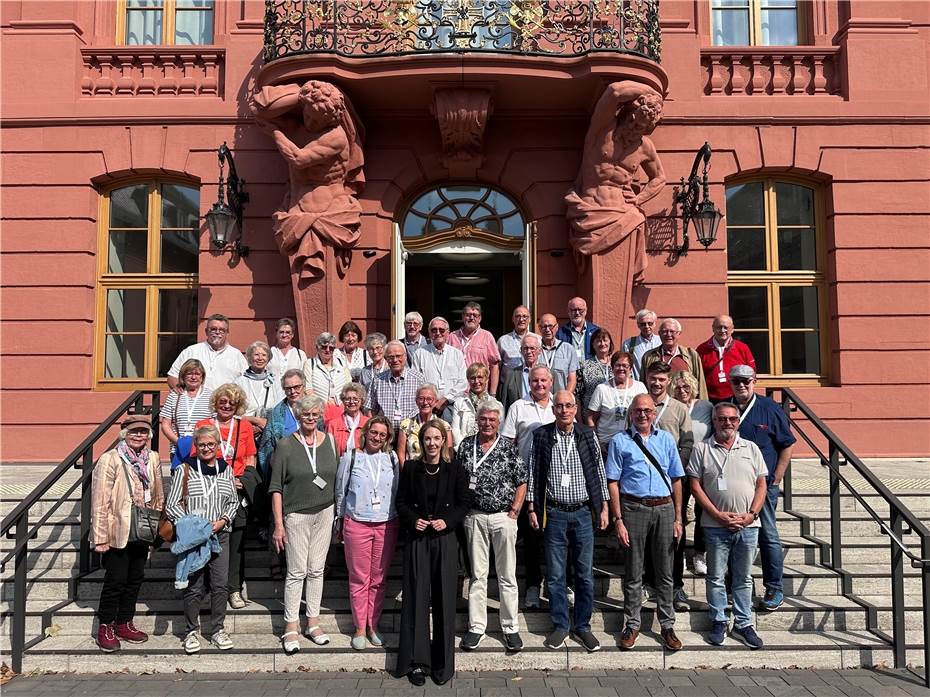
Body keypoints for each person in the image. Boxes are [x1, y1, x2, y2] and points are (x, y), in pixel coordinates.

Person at [526, 390, 609, 653]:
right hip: (555, 513)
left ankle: (583, 626)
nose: (564, 410)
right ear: (553, 410)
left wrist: (604, 506)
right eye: (559, 406)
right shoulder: (541, 435)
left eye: (569, 406)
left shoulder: (587, 434)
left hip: (583, 513)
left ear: (576, 409)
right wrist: (531, 506)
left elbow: (599, 470)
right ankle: (561, 624)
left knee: (584, 574)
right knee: (556, 575)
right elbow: (533, 471)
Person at [395, 420, 473, 686]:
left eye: (436, 438)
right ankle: (417, 662)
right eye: (427, 438)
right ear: (421, 441)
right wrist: (412, 519)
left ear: (444, 440)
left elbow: (464, 502)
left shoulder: (454, 468)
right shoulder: (412, 468)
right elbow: (401, 502)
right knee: (416, 598)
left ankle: (442, 663)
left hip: (444, 537)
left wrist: (447, 521)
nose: (431, 443)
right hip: (418, 537)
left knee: (444, 599)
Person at [606, 394, 685, 653]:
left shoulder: (666, 440)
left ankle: (667, 624)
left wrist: (678, 517)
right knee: (633, 571)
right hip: (633, 508)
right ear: (631, 413)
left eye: (648, 411)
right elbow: (613, 482)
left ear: (654, 413)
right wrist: (618, 519)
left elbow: (676, 479)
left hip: (663, 508)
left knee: (665, 571)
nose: (643, 415)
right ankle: (632, 624)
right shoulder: (621, 441)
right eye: (638, 410)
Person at [688, 403, 767, 649]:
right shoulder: (702, 449)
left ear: (738, 422)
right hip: (714, 525)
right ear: (714, 420)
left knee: (743, 577)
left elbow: (762, 484)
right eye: (722, 419)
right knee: (715, 576)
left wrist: (751, 514)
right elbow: (695, 485)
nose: (727, 423)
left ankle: (744, 624)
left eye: (732, 419)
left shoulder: (751, 448)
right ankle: (719, 620)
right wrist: (716, 515)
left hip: (748, 525)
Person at [268, 395, 339, 654]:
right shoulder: (286, 445)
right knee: (297, 571)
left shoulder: (330, 441)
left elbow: (335, 480)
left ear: (320, 416)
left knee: (317, 570)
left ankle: (313, 623)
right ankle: (290, 626)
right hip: (296, 515)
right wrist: (278, 524)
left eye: (315, 414)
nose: (311, 418)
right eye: (306, 414)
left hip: (325, 512)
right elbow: (275, 488)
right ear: (298, 416)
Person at [456, 401, 527, 653]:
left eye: (492, 420)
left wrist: (515, 512)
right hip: (474, 517)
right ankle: (476, 627)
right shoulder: (466, 445)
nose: (487, 423)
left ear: (499, 422)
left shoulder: (508, 448)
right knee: (478, 576)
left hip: (502, 517)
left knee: (507, 575)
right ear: (477, 420)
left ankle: (510, 627)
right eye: (483, 419)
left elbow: (522, 481)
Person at [91, 414, 164, 652]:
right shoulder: (110, 459)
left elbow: (158, 494)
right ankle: (106, 626)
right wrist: (100, 537)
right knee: (116, 580)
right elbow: (100, 501)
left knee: (135, 578)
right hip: (117, 529)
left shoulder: (152, 458)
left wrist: (157, 527)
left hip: (142, 528)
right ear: (124, 433)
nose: (139, 435)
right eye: (134, 431)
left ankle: (124, 622)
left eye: (143, 432)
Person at [165, 423, 239, 654]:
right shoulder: (185, 470)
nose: (206, 448)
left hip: (220, 535)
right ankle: (191, 631)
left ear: (218, 446)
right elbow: (172, 505)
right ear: (195, 446)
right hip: (196, 539)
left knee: (219, 585)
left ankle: (217, 629)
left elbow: (234, 501)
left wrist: (224, 520)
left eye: (211, 444)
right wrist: (195, 526)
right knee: (195, 586)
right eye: (202, 444)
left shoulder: (225, 469)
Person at [728, 364, 796, 612]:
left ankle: (774, 587)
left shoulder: (768, 408)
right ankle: (734, 585)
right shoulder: (725, 407)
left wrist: (776, 479)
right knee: (733, 536)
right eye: (736, 381)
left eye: (746, 381)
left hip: (762, 487)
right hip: (733, 488)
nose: (741, 385)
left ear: (755, 381)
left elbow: (786, 444)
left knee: (768, 535)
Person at [334, 416, 400, 650]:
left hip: (386, 523)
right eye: (374, 433)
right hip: (357, 523)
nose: (377, 438)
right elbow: (340, 492)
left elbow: (397, 490)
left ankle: (374, 625)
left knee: (378, 579)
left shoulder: (391, 458)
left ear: (387, 438)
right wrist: (340, 522)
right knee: (360, 578)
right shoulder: (351, 457)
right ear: (366, 432)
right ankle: (359, 627)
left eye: (383, 435)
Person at [194, 385, 257, 611]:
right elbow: (196, 456)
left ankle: (234, 588)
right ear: (216, 402)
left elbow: (250, 457)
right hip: (209, 491)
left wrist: (245, 480)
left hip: (236, 491)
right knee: (209, 541)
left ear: (237, 405)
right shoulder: (204, 425)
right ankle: (208, 588)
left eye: (231, 402)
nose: (227, 405)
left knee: (236, 544)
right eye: (223, 401)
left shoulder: (244, 426)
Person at [500, 365, 555, 608]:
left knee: (556, 538)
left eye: (543, 381)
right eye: (535, 381)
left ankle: (559, 585)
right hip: (528, 481)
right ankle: (533, 585)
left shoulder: (560, 405)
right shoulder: (518, 407)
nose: (539, 385)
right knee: (531, 539)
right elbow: (508, 445)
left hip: (556, 482)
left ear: (551, 382)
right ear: (529, 382)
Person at [642, 362, 694, 610]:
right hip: (643, 480)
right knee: (647, 533)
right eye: (653, 378)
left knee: (676, 532)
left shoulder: (680, 408)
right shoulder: (640, 404)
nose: (657, 383)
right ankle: (649, 581)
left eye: (662, 379)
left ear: (669, 381)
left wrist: (675, 468)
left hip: (673, 480)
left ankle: (676, 586)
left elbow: (687, 444)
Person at [672, 370, 713, 575]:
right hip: (678, 467)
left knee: (702, 512)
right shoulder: (671, 407)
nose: (682, 391)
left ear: (693, 388)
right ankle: (676, 556)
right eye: (678, 387)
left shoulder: (706, 407)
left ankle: (699, 554)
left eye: (686, 387)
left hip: (702, 466)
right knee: (677, 512)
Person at [167, 314, 248, 392]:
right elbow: (172, 377)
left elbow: (247, 382)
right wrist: (183, 394)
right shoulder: (191, 351)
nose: (217, 332)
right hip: (197, 404)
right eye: (213, 329)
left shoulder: (236, 355)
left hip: (225, 404)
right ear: (206, 331)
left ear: (227, 333)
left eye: (222, 330)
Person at [586, 351, 647, 448]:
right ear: (612, 367)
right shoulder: (602, 389)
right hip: (606, 443)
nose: (621, 368)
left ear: (630, 369)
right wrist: (596, 442)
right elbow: (591, 418)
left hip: (633, 443)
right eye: (617, 365)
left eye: (625, 366)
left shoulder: (639, 387)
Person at [364, 340, 426, 433]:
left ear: (405, 357)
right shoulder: (378, 380)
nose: (395, 360)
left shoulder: (418, 379)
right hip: (386, 434)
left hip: (411, 433)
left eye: (398, 356)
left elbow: (425, 407)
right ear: (386, 358)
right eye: (391, 357)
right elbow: (370, 410)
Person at [413, 317, 467, 418]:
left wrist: (446, 399)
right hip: (427, 407)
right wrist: (430, 400)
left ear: (448, 333)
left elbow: (463, 382)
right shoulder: (420, 354)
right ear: (429, 333)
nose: (438, 333)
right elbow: (416, 382)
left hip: (452, 406)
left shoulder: (457, 354)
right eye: (434, 330)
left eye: (441, 330)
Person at [640, 318, 707, 400]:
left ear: (679, 334)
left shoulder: (691, 355)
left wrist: (703, 406)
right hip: (658, 405)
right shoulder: (649, 356)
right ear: (659, 334)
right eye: (664, 331)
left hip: (685, 406)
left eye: (672, 331)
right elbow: (643, 384)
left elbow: (700, 383)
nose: (668, 334)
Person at [257, 369, 307, 477]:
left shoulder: (316, 409)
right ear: (284, 390)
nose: (293, 392)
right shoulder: (276, 415)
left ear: (304, 386)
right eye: (288, 388)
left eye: (297, 387)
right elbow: (267, 449)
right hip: (286, 470)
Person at [160, 359, 212, 459]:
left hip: (204, 450)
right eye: (189, 374)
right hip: (178, 449)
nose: (193, 377)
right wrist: (178, 442)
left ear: (202, 377)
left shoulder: (211, 396)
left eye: (197, 374)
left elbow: (216, 423)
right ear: (183, 376)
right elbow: (165, 424)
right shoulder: (175, 395)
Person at [697, 315, 757, 403]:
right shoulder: (702, 349)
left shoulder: (742, 348)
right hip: (709, 399)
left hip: (736, 398)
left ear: (732, 329)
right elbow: (696, 375)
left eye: (726, 327)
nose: (722, 331)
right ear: (713, 329)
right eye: (719, 327)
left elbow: (752, 372)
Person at [448, 302, 502, 394]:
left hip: (480, 391)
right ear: (462, 317)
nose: (471, 318)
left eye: (475, 315)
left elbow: (494, 366)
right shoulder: (452, 337)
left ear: (480, 318)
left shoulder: (487, 336)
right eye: (468, 315)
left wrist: (492, 394)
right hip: (456, 392)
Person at [396, 384, 453, 466]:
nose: (425, 402)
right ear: (416, 401)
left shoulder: (444, 426)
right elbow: (401, 455)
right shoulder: (406, 425)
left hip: (436, 473)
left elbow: (448, 454)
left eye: (429, 399)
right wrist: (407, 473)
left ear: (436, 402)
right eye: (421, 398)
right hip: (413, 473)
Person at [236, 341, 284, 434]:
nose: (260, 358)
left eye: (264, 355)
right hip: (245, 430)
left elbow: (280, 408)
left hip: (269, 430)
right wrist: (256, 421)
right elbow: (233, 413)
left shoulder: (275, 381)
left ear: (268, 359)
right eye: (256, 355)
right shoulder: (239, 382)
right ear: (250, 358)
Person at [450, 362, 495, 448]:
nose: (476, 381)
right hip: (464, 449)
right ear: (468, 380)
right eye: (472, 378)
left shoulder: (495, 404)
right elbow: (455, 430)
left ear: (486, 379)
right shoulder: (459, 403)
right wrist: (464, 448)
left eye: (480, 377)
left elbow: (498, 431)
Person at [497, 333, 542, 412]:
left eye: (532, 348)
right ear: (521, 351)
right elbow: (505, 404)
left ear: (540, 351)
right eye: (525, 348)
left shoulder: (550, 374)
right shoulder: (511, 375)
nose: (528, 351)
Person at [303, 331, 351, 404]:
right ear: (317, 347)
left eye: (331, 348)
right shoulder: (310, 364)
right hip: (319, 408)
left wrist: (343, 402)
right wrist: (322, 403)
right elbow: (307, 388)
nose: (328, 350)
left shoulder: (341, 362)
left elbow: (349, 385)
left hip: (342, 406)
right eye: (324, 347)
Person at [575, 328, 616, 411]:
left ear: (610, 343)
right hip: (591, 414)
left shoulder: (618, 364)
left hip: (613, 412)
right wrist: (579, 418)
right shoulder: (584, 366)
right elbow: (578, 395)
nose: (602, 343)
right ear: (593, 345)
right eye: (598, 341)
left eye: (605, 340)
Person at [538, 313, 579, 395]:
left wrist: (565, 398)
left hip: (560, 401)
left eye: (550, 326)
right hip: (539, 400)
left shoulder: (568, 349)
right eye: (544, 326)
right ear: (539, 328)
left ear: (557, 327)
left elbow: (572, 380)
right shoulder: (535, 349)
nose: (547, 329)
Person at [325, 382, 370, 457]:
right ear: (343, 401)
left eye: (355, 399)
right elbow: (328, 450)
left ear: (362, 401)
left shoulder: (368, 423)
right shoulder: (333, 424)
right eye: (347, 399)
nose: (351, 402)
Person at [497, 305, 538, 379]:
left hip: (533, 384)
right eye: (518, 316)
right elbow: (497, 367)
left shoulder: (537, 339)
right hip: (509, 385)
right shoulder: (503, 341)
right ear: (513, 319)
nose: (521, 319)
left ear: (530, 319)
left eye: (525, 316)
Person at [556, 297, 601, 362]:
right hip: (569, 371)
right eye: (573, 310)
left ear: (585, 311)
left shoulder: (596, 331)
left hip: (590, 370)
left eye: (580, 310)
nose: (577, 313)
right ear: (568, 312)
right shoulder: (560, 333)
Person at [622, 309, 661, 381]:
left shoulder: (661, 342)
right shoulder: (629, 344)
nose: (646, 326)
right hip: (638, 387)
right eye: (643, 324)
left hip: (658, 385)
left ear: (655, 324)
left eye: (650, 323)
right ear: (638, 325)